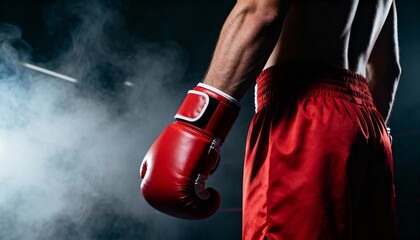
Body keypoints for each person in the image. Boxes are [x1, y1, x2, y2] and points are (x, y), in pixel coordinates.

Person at [140, 0, 401, 239]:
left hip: (304, 113)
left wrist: (196, 124)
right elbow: (387, 71)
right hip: (370, 128)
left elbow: (260, 11)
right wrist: (355, 139)